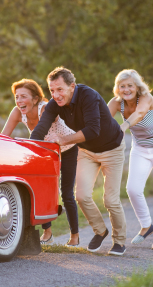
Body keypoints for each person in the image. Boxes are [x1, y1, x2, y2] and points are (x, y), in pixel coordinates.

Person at [31, 67, 128, 256]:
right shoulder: (54, 104)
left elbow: (93, 130)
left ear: (72, 86)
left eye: (60, 89)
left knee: (110, 200)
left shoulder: (88, 96)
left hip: (112, 149)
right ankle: (100, 230)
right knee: (82, 196)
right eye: (52, 90)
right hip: (87, 151)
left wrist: (64, 140)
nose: (56, 95)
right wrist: (31, 148)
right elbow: (41, 128)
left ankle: (119, 241)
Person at [1, 79, 80, 246]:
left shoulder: (45, 108)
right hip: (45, 151)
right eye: (17, 97)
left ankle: (74, 235)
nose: (19, 101)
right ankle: (47, 232)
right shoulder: (17, 112)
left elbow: (41, 132)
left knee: (66, 193)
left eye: (24, 96)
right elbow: (4, 137)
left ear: (35, 99)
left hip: (67, 149)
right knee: (41, 190)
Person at [108, 69, 153, 250]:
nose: (126, 89)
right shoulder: (117, 103)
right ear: (118, 88)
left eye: (130, 85)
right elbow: (103, 119)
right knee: (132, 189)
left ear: (137, 87)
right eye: (122, 86)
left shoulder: (146, 98)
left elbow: (139, 114)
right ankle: (147, 225)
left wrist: (122, 127)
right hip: (141, 148)